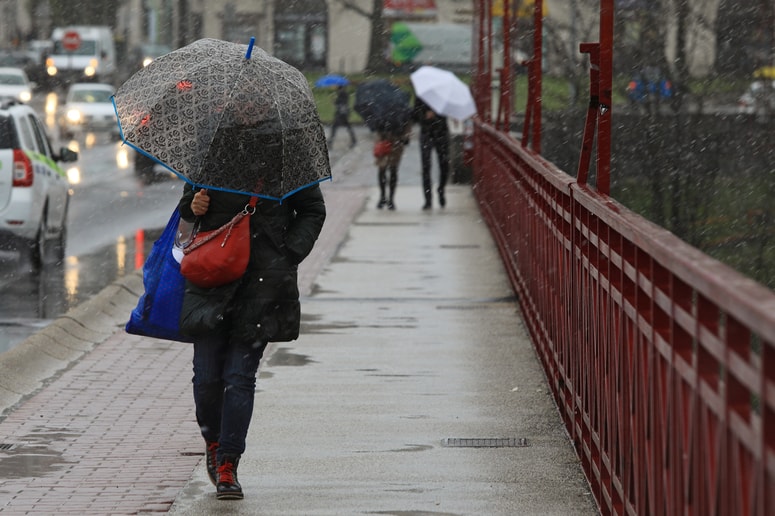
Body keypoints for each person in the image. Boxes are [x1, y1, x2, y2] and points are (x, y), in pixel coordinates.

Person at [178, 182, 325, 500]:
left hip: (264, 282)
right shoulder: (212, 155)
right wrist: (194, 206)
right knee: (206, 378)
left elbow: (312, 210)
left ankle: (228, 462)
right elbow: (187, 206)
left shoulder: (286, 161)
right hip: (212, 277)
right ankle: (214, 441)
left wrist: (289, 252)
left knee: (239, 377)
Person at [411, 95, 449, 210]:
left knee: (444, 164)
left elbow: (448, 111)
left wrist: (436, 114)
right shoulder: (421, 95)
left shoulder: (443, 95)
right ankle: (428, 199)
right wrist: (424, 115)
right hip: (426, 133)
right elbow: (414, 115)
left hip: (441, 132)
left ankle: (441, 189)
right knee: (426, 166)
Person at [374, 121, 411, 210]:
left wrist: (405, 135)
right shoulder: (380, 115)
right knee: (382, 169)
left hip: (396, 141)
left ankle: (390, 198)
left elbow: (407, 122)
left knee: (393, 169)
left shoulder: (401, 115)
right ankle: (383, 196)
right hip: (383, 141)